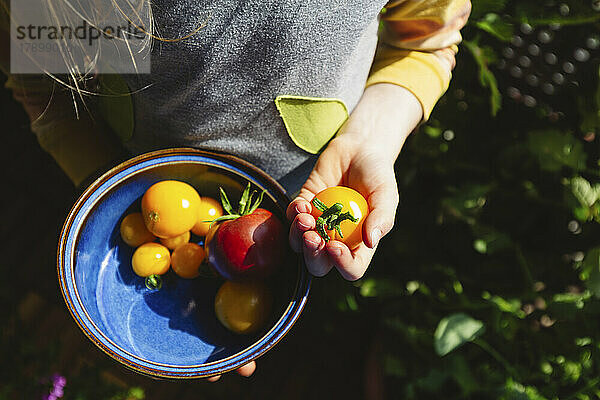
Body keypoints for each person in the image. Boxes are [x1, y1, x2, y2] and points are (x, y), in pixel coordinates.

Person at [0, 0, 471, 380]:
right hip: (144, 197)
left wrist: (370, 139)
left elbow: (423, 42)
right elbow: (52, 95)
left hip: (302, 204)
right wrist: (118, 199)